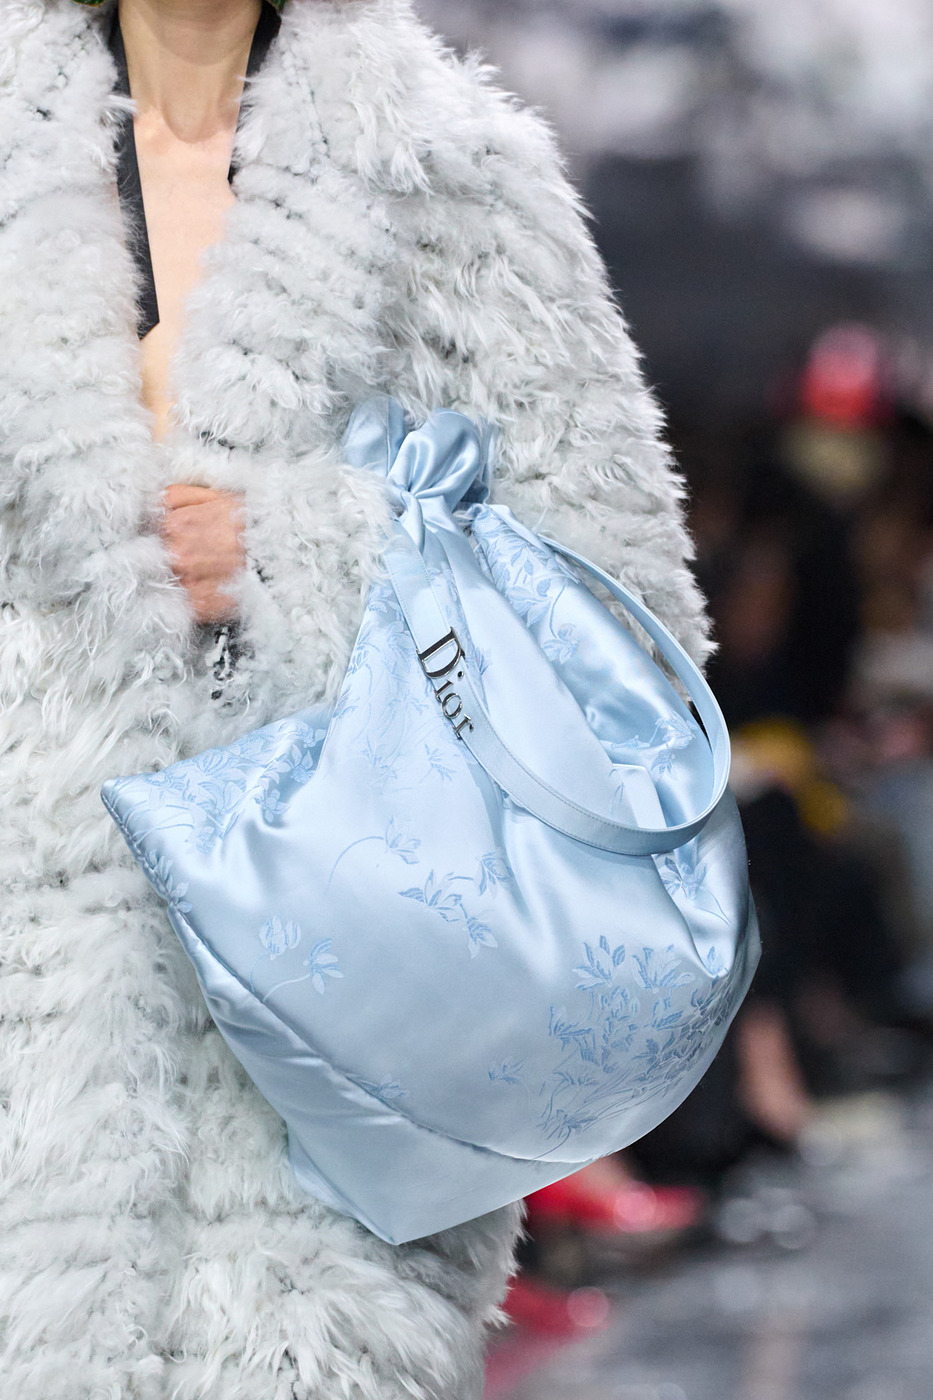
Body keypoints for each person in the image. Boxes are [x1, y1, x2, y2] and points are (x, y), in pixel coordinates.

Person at [0, 0, 712, 1394]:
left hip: (348, 978)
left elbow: (622, 612)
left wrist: (301, 550)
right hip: (35, 967)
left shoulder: (447, 171)